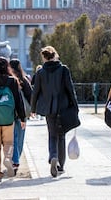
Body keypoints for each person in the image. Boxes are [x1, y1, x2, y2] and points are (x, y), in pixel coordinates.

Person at [31, 46, 79, 177]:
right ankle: (61, 166)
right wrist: (75, 106)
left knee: (52, 135)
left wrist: (33, 109)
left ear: (44, 58)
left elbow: (35, 92)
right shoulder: (64, 70)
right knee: (61, 135)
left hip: (48, 109)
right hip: (63, 107)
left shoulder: (40, 72)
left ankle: (53, 156)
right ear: (55, 55)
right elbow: (70, 89)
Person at [9, 59, 32, 175]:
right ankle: (16, 159)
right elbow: (30, 95)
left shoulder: (9, 80)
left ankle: (14, 159)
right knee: (20, 137)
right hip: (22, 113)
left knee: (12, 137)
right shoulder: (23, 80)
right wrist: (33, 109)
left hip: (11, 112)